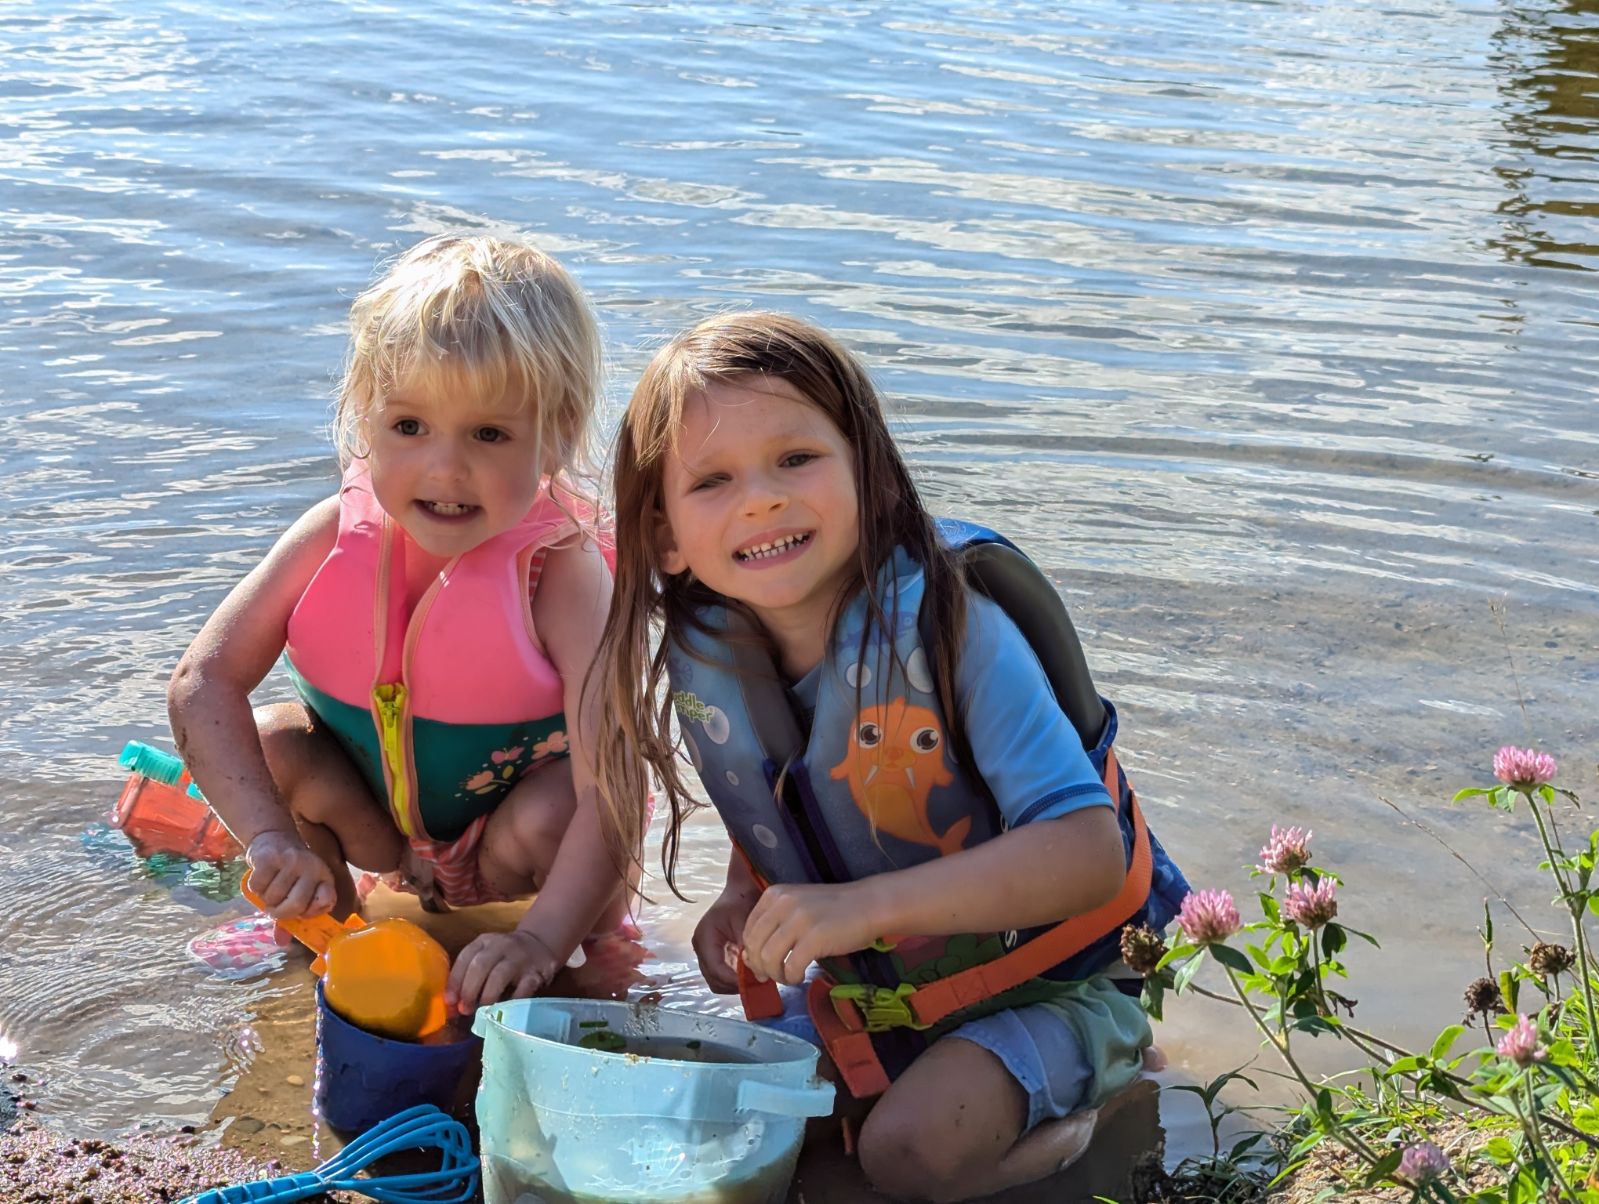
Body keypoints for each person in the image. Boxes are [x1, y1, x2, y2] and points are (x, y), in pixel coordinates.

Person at [590, 312, 1189, 1202]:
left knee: (903, 1157)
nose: (760, 500)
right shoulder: (716, 656)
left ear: (867, 474)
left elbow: (1087, 852)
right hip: (880, 1003)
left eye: (796, 458)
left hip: (1055, 986)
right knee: (728, 1125)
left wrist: (861, 909)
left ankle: (1107, 1099)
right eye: (711, 480)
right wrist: (741, 900)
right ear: (666, 535)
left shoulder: (952, 628)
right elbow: (793, 808)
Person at [169, 234, 642, 1015]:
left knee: (560, 809)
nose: (443, 470)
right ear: (366, 417)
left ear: (556, 434)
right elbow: (203, 680)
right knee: (276, 742)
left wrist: (539, 939)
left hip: (521, 849)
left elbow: (614, 786)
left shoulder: (563, 571)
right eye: (410, 426)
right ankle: (318, 929)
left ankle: (591, 946)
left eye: (488, 434)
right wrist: (269, 840)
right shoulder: (333, 532)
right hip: (384, 835)